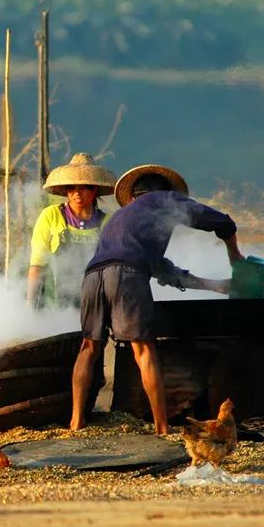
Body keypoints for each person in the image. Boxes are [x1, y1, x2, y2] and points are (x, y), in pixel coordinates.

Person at [70, 164, 244, 434]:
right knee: (143, 349)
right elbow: (220, 222)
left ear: (134, 196)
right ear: (164, 192)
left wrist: (215, 286)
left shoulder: (120, 219)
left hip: (92, 276)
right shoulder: (166, 200)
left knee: (89, 348)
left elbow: (164, 270)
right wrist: (235, 254)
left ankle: (76, 422)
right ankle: (162, 427)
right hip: (126, 275)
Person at [27, 153, 116, 415]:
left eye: (85, 187)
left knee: (93, 357)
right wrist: (29, 303)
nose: (78, 194)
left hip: (95, 301)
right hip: (58, 300)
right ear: (65, 191)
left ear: (95, 190)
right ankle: (58, 410)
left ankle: (86, 409)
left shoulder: (106, 222)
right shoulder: (51, 217)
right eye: (72, 188)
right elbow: (37, 263)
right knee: (58, 358)